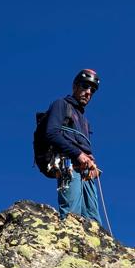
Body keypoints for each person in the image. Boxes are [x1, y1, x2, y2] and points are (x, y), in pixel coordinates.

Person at [43, 69, 102, 226]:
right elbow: (51, 134)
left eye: (92, 90)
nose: (88, 92)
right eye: (85, 86)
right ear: (75, 86)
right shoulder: (61, 105)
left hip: (86, 170)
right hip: (69, 165)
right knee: (72, 216)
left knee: (93, 219)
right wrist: (78, 154)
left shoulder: (84, 120)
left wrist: (89, 158)